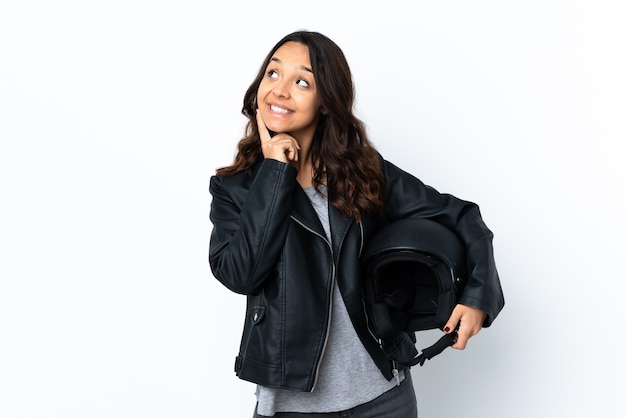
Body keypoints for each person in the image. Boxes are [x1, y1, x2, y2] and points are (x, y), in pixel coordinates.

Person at [208, 30, 505, 418]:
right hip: (291, 407)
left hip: (384, 398)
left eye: (302, 81)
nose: (279, 91)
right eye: (272, 74)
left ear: (326, 102)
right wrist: (274, 171)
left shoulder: (362, 172)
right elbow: (239, 274)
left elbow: (461, 215)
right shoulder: (237, 188)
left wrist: (477, 296)